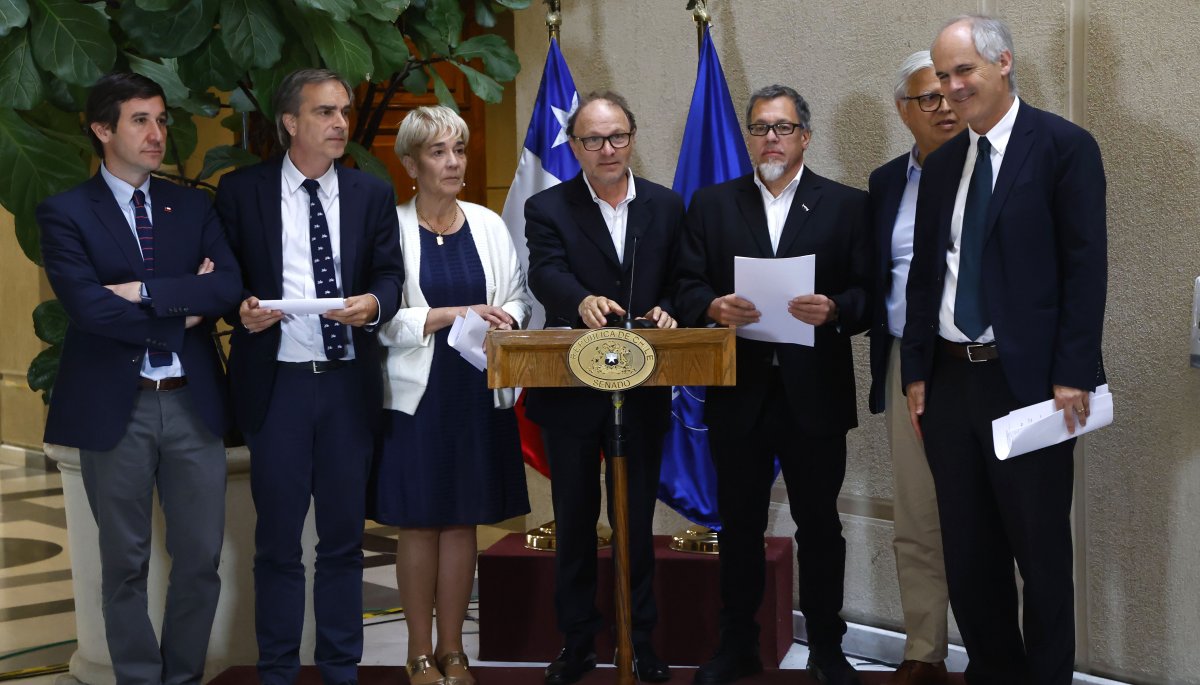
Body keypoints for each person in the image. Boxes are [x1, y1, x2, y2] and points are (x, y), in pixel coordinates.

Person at [901, 15, 1107, 685]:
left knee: (1040, 552)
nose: (952, 89)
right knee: (969, 552)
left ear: (1004, 64)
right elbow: (927, 275)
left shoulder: (1064, 147)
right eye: (943, 77)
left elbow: (1086, 268)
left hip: (1033, 388)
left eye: (964, 72)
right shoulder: (943, 163)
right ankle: (994, 673)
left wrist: (1074, 371)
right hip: (951, 383)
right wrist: (915, 372)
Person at [38, 72, 242, 685]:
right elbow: (88, 308)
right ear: (102, 130)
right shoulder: (66, 212)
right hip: (114, 409)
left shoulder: (192, 205)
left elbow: (227, 286)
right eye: (140, 121)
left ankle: (182, 678)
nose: (158, 134)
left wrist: (149, 292)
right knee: (124, 562)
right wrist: (185, 308)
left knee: (201, 559)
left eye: (160, 120)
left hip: (191, 405)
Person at [674, 84, 871, 685]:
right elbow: (683, 287)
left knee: (819, 526)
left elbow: (871, 296)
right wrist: (712, 306)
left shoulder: (846, 205)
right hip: (740, 391)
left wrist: (836, 309)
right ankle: (737, 645)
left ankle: (828, 649)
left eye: (783, 128)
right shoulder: (711, 205)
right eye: (760, 128)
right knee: (738, 526)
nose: (771, 139)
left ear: (805, 137)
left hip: (815, 395)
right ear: (749, 138)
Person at [215, 68, 404, 685]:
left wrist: (373, 305)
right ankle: (276, 669)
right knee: (276, 544)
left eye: (344, 111)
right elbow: (223, 277)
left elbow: (388, 274)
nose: (341, 123)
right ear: (290, 122)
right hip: (280, 386)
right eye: (325, 112)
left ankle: (341, 667)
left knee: (345, 541)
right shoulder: (241, 192)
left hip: (347, 386)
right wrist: (240, 308)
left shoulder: (370, 194)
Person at [523, 91, 683, 685]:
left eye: (617, 136)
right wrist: (579, 299)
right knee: (574, 519)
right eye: (593, 140)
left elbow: (687, 276)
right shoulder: (547, 206)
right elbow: (545, 271)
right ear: (574, 147)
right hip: (569, 390)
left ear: (633, 137)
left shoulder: (666, 207)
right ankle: (577, 645)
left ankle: (639, 641)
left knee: (634, 522)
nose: (607, 149)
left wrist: (670, 308)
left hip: (639, 388)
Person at [370, 105, 532, 685]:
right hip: (417, 396)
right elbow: (377, 319)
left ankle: (453, 650)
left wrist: (505, 320)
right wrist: (443, 316)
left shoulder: (488, 224)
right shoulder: (389, 228)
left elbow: (517, 296)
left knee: (463, 522)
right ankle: (417, 652)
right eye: (439, 152)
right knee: (419, 522)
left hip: (475, 389)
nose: (453, 162)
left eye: (459, 149)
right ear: (411, 163)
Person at [866, 51, 964, 685]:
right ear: (904, 111)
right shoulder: (884, 184)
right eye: (927, 98)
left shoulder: (992, 171)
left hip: (982, 361)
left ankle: (999, 654)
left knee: (996, 517)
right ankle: (924, 650)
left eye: (953, 92)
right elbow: (874, 277)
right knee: (918, 515)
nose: (946, 107)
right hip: (911, 360)